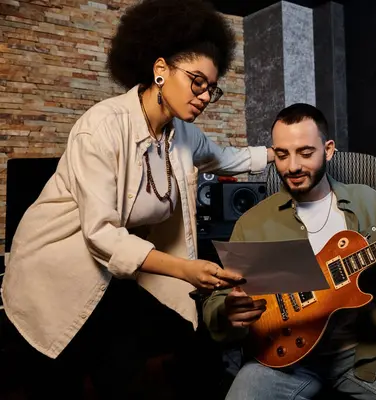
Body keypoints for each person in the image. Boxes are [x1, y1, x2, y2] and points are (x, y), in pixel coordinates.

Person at [0, 0, 274, 398]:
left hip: (115, 275)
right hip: (54, 271)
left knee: (141, 359)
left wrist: (281, 154)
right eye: (196, 80)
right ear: (160, 69)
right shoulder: (101, 127)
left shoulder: (183, 134)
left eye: (211, 89)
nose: (203, 95)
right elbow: (102, 235)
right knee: (59, 380)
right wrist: (183, 269)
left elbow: (228, 156)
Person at [203, 103, 376, 400]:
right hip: (282, 360)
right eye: (282, 155)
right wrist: (227, 311)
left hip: (364, 351)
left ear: (327, 150)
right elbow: (219, 299)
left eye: (305, 152)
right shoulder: (253, 223)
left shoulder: (366, 201)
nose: (292, 166)